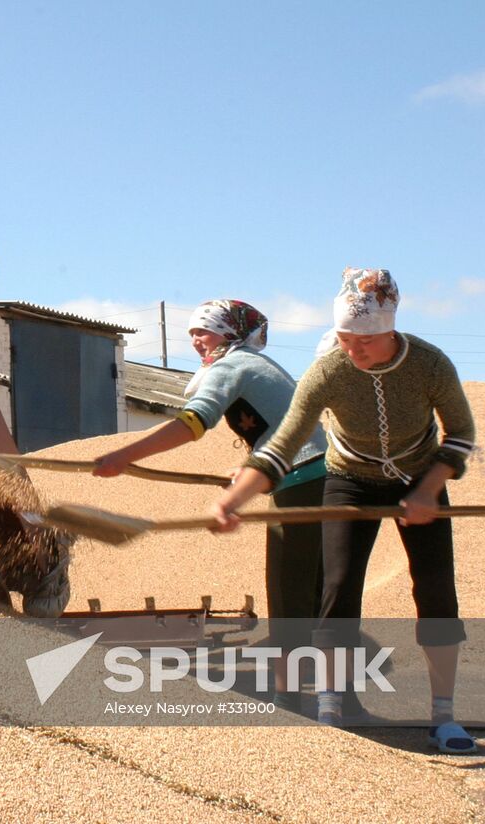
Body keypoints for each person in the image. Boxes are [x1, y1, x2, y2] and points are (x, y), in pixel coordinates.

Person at [211, 268, 478, 752]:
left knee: (437, 592)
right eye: (344, 338)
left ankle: (444, 716)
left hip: (420, 477)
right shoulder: (329, 369)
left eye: (365, 340)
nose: (353, 349)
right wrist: (235, 498)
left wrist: (427, 490)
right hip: (349, 479)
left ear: (390, 329)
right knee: (338, 588)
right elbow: (282, 445)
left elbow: (460, 434)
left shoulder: (430, 364)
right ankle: (331, 706)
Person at [93, 299, 328, 709]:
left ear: (228, 333)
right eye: (191, 333)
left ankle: (290, 700)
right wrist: (250, 469)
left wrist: (124, 456)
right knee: (318, 590)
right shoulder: (255, 363)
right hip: (320, 478)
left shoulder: (232, 365)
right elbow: (280, 427)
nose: (195, 340)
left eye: (203, 331)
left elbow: (192, 423)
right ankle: (334, 696)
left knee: (289, 592)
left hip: (302, 481)